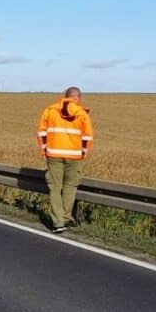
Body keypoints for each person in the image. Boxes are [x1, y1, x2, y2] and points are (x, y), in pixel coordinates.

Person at [37, 86, 94, 233]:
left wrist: (45, 150)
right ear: (78, 98)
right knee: (70, 187)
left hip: (54, 154)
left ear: (65, 96)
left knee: (55, 188)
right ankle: (67, 217)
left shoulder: (50, 111)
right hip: (74, 156)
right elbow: (87, 138)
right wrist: (83, 153)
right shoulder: (82, 114)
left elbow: (42, 132)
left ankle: (58, 221)